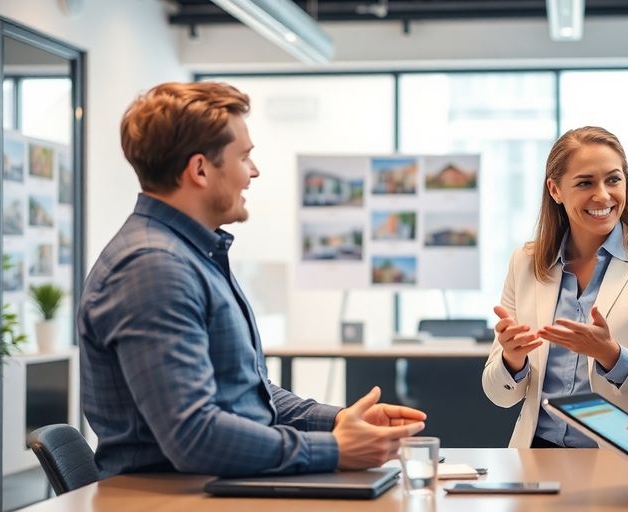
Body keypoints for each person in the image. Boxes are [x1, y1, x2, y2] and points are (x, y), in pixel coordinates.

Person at [79, 82, 426, 478]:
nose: (254, 172)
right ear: (199, 170)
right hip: (177, 499)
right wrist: (334, 449)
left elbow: (246, 394)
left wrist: (338, 421)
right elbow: (195, 436)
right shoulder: (153, 268)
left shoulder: (189, 256)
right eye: (244, 157)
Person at [482, 126, 628, 512]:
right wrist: (512, 360)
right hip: (536, 465)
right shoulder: (527, 262)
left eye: (613, 180)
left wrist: (613, 357)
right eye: (584, 183)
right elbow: (499, 395)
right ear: (555, 190)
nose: (602, 196)